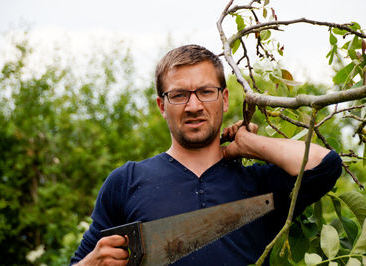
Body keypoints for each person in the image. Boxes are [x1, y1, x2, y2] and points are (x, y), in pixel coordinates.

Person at [70, 44, 342, 265]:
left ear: (224, 99)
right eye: (178, 95)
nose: (193, 106)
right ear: (161, 106)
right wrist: (93, 262)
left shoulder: (260, 185)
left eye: (205, 92)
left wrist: (248, 143)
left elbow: (326, 164)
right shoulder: (126, 181)